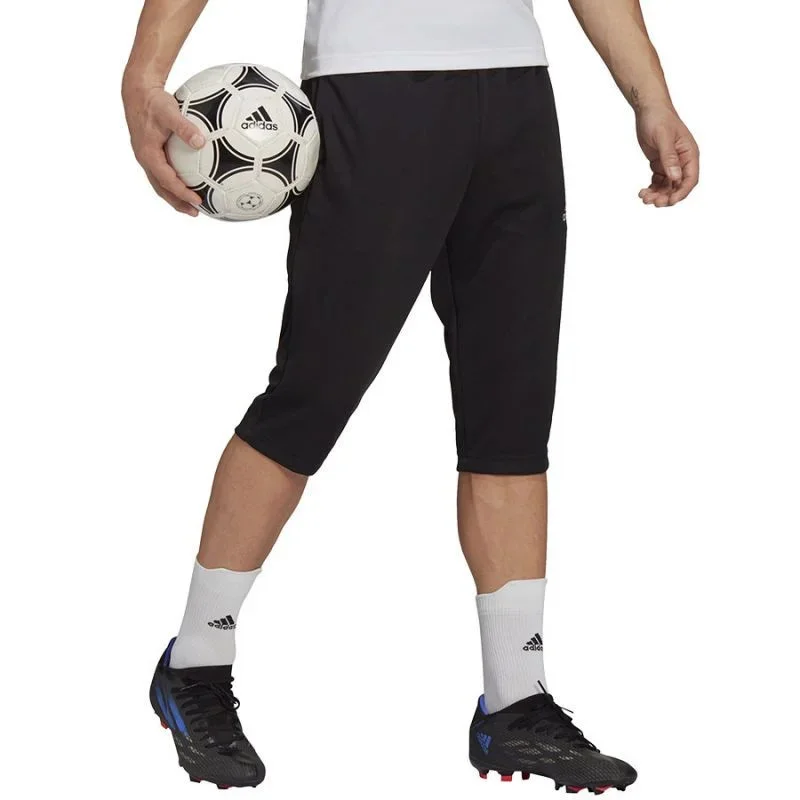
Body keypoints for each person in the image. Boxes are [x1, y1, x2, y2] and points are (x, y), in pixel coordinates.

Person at [124, 0, 699, 791]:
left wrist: (651, 98)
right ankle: (195, 661)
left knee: (513, 413)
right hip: (372, 87)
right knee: (311, 398)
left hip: (516, 96)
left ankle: (515, 701)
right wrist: (144, 75)